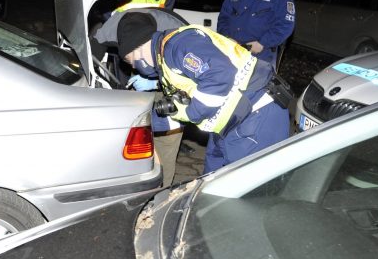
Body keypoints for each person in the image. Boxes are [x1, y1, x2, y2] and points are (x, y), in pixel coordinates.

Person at [116, 13, 290, 173]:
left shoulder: (178, 46)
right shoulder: (167, 58)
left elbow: (220, 75)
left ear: (136, 47)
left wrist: (192, 113)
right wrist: (141, 125)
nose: (132, 66)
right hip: (229, 123)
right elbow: (181, 109)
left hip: (256, 117)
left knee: (241, 194)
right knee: (210, 182)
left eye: (130, 60)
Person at [90, 8, 186, 187]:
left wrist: (157, 82)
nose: (134, 64)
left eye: (135, 59)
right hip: (150, 72)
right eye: (129, 61)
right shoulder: (112, 27)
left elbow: (189, 84)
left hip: (177, 84)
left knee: (166, 142)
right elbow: (92, 51)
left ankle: (162, 195)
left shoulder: (178, 38)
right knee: (140, 142)